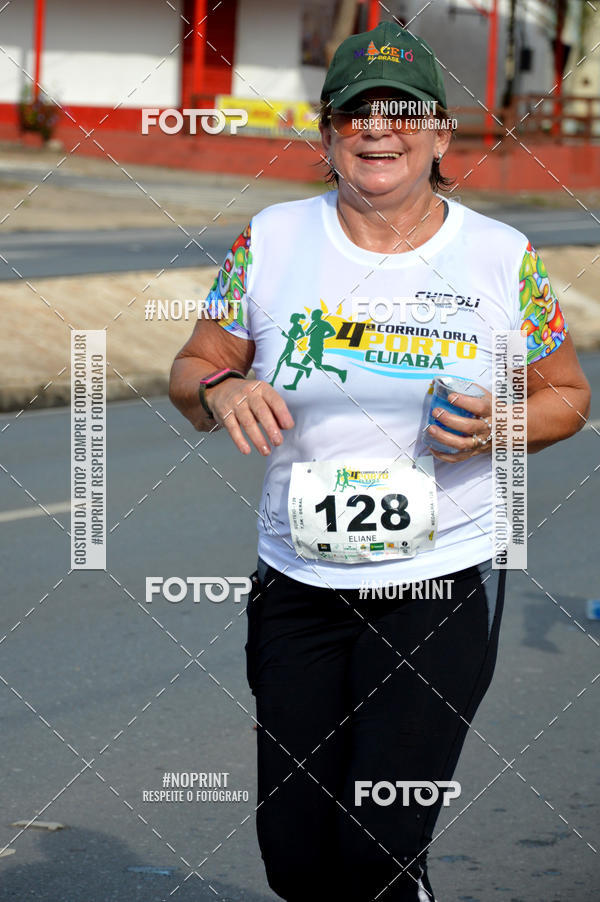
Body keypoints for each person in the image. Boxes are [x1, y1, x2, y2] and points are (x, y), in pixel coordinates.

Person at [169, 22, 591, 902]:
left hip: (434, 587)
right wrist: (220, 390)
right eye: (356, 111)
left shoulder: (501, 259)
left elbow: (569, 397)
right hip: (296, 585)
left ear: (442, 135)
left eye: (405, 112)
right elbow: (192, 366)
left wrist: (496, 426)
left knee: (378, 849)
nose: (379, 127)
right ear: (328, 134)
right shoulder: (272, 239)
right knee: (294, 852)